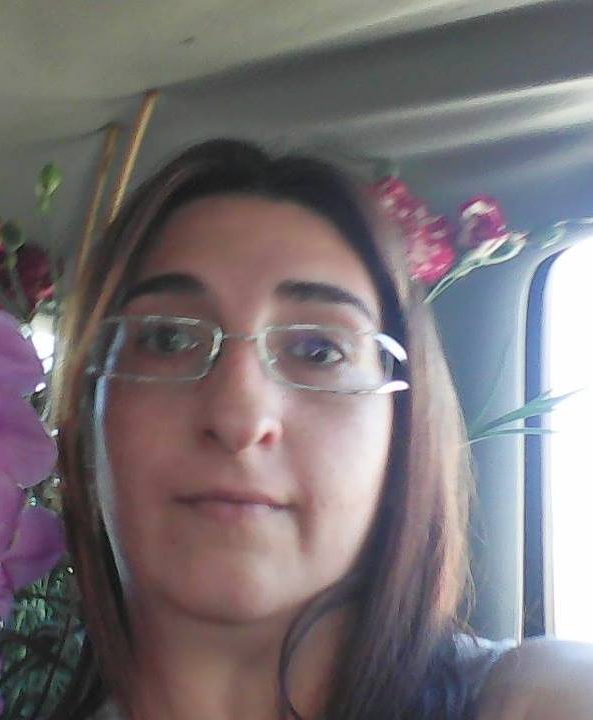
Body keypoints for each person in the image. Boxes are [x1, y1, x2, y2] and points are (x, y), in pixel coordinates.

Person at [52, 139, 593, 720]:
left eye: (319, 351)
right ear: (87, 417)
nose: (238, 418)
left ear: (401, 433)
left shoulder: (542, 701)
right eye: (168, 339)